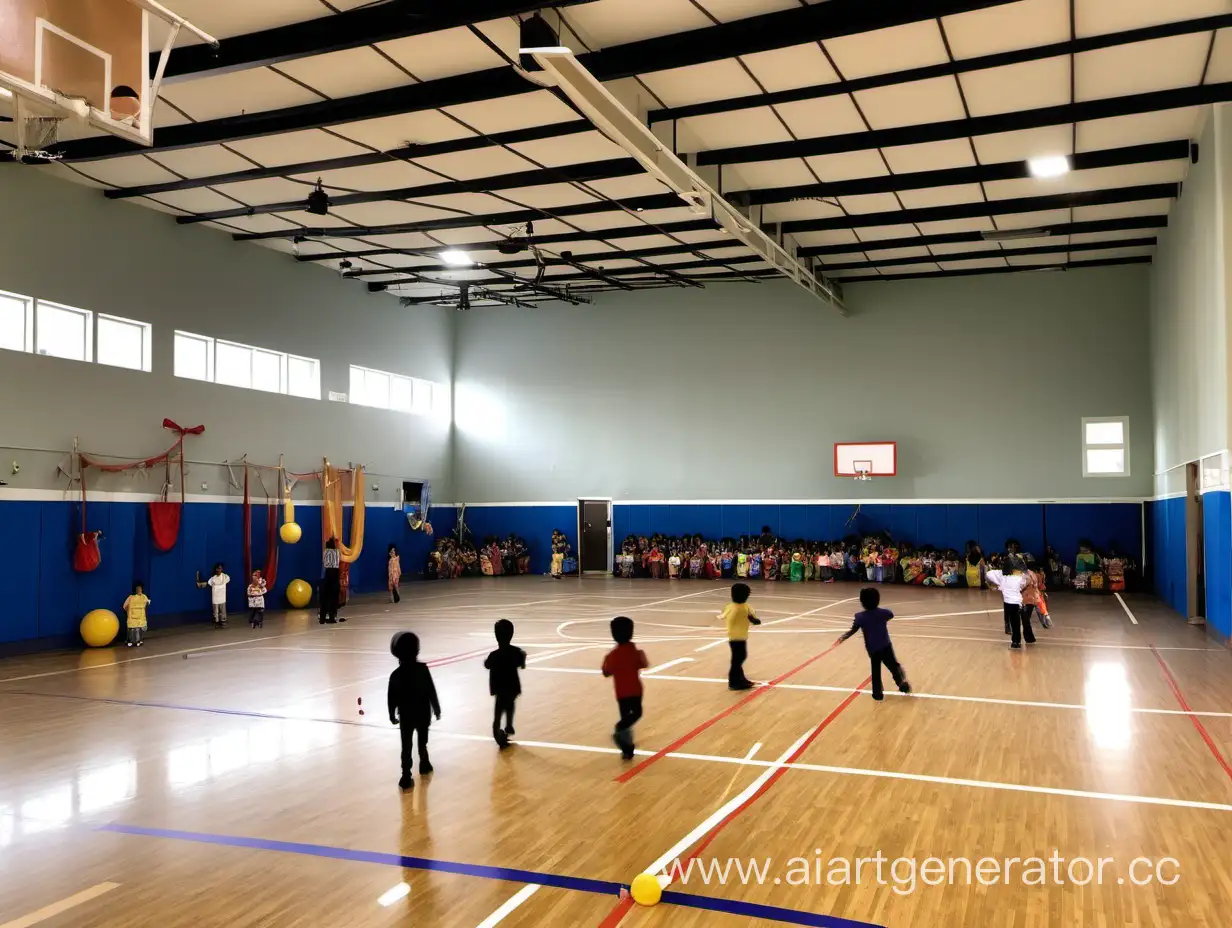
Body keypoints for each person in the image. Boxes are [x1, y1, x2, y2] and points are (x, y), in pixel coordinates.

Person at [388, 631, 440, 790]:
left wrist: (391, 714)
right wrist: (436, 708)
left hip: (406, 716)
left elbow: (391, 698)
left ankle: (406, 774)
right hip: (423, 713)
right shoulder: (423, 669)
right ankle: (424, 762)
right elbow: (431, 690)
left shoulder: (396, 675)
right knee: (422, 740)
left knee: (406, 745)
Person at [838, 588, 911, 701]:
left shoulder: (859, 617)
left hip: (872, 649)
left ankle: (877, 694)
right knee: (893, 666)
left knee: (875, 671)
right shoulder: (884, 613)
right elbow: (891, 614)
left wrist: (843, 637)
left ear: (862, 602)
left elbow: (853, 630)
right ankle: (901, 684)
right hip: (886, 646)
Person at [601, 616, 649, 760]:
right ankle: (620, 729)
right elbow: (644, 663)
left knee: (625, 716)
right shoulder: (635, 652)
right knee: (636, 713)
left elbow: (606, 672)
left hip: (621, 693)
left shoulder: (612, 655)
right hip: (635, 690)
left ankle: (627, 750)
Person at [484, 619, 526, 748]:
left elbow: (487, 665)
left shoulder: (494, 655)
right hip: (512, 687)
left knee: (497, 714)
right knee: (510, 705)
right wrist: (523, 658)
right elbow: (521, 664)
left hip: (499, 689)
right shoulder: (516, 652)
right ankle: (509, 724)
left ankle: (498, 735)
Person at [721, 582, 762, 690]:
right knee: (738, 659)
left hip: (737, 636)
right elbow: (754, 620)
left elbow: (722, 615)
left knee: (738, 658)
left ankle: (740, 679)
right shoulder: (742, 607)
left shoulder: (732, 607)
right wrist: (754, 620)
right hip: (736, 637)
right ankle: (733, 682)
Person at [986, 559, 1035, 649]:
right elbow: (1026, 581)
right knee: (1022, 620)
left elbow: (989, 574)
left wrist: (1001, 575)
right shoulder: (1019, 578)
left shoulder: (1003, 578)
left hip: (1011, 603)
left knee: (1014, 623)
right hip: (1018, 603)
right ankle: (1026, 639)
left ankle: (1016, 642)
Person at [196, 563, 230, 629]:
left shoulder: (225, 576)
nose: (218, 570)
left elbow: (227, 580)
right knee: (216, 611)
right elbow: (207, 584)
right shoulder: (213, 578)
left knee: (222, 610)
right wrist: (200, 584)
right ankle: (216, 622)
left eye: (220, 568)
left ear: (222, 569)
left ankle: (222, 621)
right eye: (217, 568)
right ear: (215, 569)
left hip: (222, 597)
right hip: (215, 598)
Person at [320, 537, 342, 624]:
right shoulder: (337, 552)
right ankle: (332, 617)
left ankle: (322, 617)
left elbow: (324, 563)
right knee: (334, 597)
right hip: (335, 573)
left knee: (325, 597)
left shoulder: (325, 552)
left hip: (328, 573)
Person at [123, 582, 150, 647]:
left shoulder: (144, 597)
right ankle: (130, 641)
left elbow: (147, 604)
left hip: (141, 617)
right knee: (131, 629)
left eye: (140, 588)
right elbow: (125, 606)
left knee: (140, 629)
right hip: (132, 617)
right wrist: (129, 611)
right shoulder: (131, 597)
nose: (139, 590)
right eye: (137, 589)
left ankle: (139, 640)